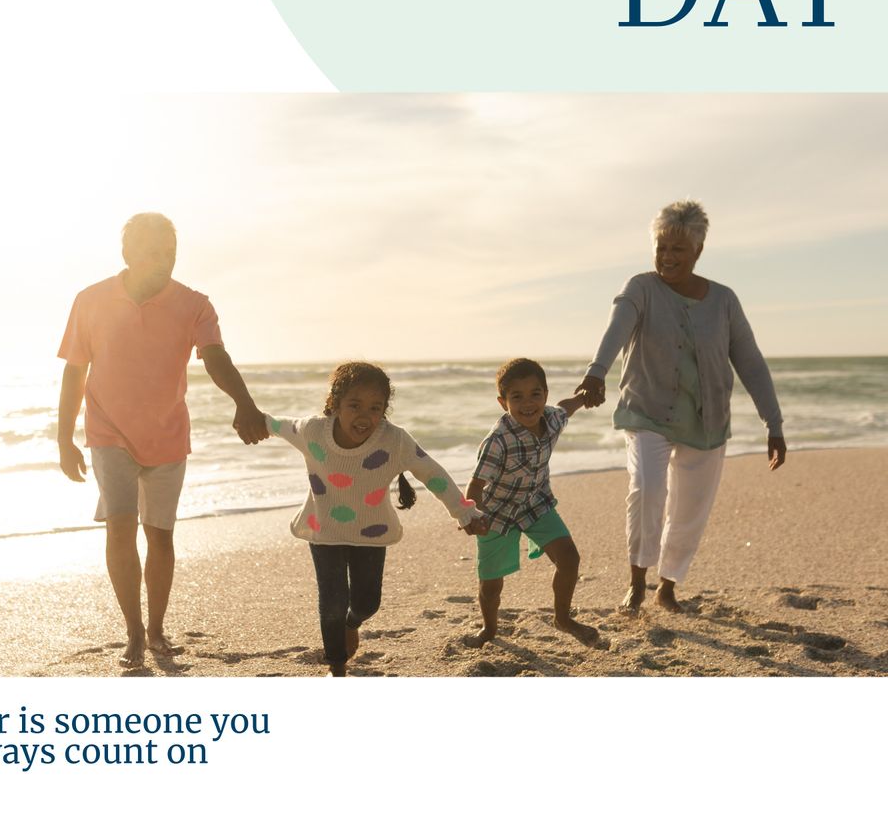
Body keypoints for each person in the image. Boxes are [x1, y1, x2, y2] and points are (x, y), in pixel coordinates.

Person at [56, 212, 268, 667]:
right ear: (127, 254)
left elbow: (215, 357)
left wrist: (244, 403)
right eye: (151, 252)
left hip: (168, 434)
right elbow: (75, 371)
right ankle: (133, 632)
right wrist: (64, 438)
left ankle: (156, 629)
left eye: (169, 253)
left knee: (161, 537)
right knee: (119, 526)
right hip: (108, 430)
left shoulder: (194, 304)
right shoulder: (90, 300)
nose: (162, 261)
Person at [576, 199, 786, 613]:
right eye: (661, 247)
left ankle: (667, 586)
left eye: (677, 249)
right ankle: (637, 580)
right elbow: (617, 327)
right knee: (648, 489)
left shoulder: (724, 300)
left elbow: (749, 360)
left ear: (698, 251)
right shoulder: (640, 288)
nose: (667, 257)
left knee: (690, 509)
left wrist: (773, 423)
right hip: (647, 410)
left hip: (705, 421)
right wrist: (596, 371)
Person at [263, 361, 488, 676]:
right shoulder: (314, 430)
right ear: (335, 404)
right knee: (332, 600)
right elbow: (279, 424)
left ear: (384, 411)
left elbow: (432, 473)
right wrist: (254, 420)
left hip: (371, 532)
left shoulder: (394, 441)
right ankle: (336, 666)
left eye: (375, 407)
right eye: (354, 405)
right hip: (324, 530)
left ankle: (351, 623)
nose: (364, 415)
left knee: (368, 603)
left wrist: (464, 512)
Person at [464, 358, 599, 649]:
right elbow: (475, 485)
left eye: (535, 394)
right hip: (496, 514)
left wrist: (581, 398)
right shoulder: (497, 441)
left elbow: (566, 409)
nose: (528, 403)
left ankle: (562, 618)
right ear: (503, 403)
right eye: (517, 397)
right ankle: (489, 629)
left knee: (569, 559)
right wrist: (471, 516)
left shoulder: (551, 419)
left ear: (545, 395)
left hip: (536, 505)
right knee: (491, 585)